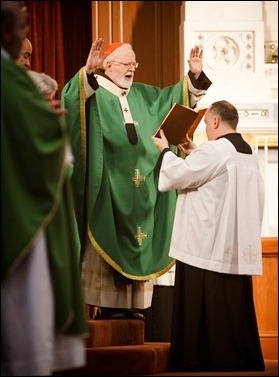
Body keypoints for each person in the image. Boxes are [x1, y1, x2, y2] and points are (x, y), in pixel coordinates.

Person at [61, 38, 212, 320]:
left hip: (143, 191)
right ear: (108, 65)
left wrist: (193, 76)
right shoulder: (93, 92)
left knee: (140, 238)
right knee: (108, 234)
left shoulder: (143, 95)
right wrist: (87, 72)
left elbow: (174, 101)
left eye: (134, 63)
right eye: (125, 63)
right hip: (109, 188)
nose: (132, 69)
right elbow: (71, 100)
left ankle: (132, 305)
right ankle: (107, 305)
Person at [1, 1, 88, 375]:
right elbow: (38, 140)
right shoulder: (10, 80)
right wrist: (51, 126)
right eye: (21, 28)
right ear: (7, 31)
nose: (25, 43)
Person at [152, 100, 265, 372]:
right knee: (231, 305)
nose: (206, 129)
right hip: (232, 242)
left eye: (205, 124)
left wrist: (165, 150)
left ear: (215, 122)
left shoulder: (215, 150)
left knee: (199, 304)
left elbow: (176, 176)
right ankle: (238, 355)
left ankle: (196, 356)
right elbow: (213, 178)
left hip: (204, 243)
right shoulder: (247, 151)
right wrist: (194, 152)